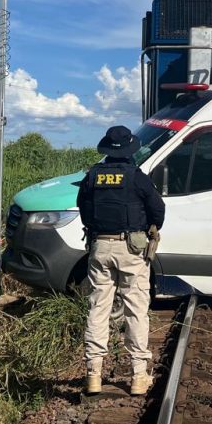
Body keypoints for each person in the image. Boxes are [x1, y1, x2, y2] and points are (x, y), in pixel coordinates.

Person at [78, 125, 165, 396]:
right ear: (130, 149)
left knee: (98, 308)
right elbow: (158, 211)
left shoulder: (92, 176)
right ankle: (138, 376)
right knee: (135, 309)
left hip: (99, 247)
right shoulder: (137, 177)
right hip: (131, 250)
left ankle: (93, 375)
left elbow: (84, 209)